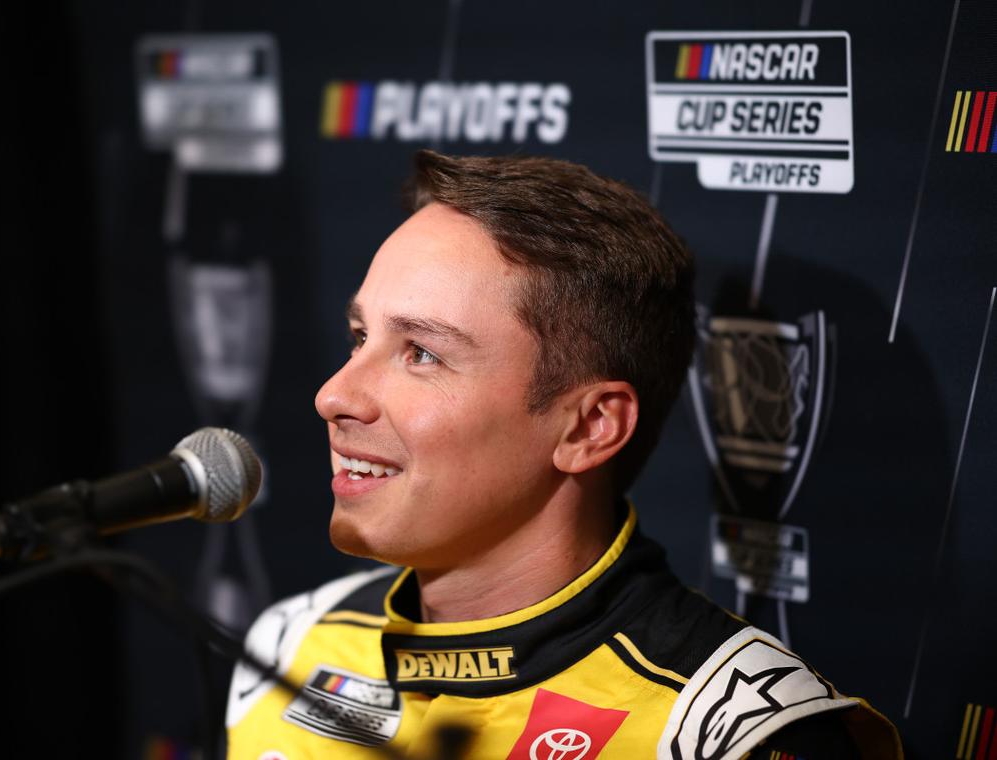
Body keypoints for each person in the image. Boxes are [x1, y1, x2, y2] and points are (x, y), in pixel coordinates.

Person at [224, 151, 901, 759]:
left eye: (421, 354)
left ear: (589, 428)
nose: (333, 395)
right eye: (358, 335)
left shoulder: (728, 733)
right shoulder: (291, 641)